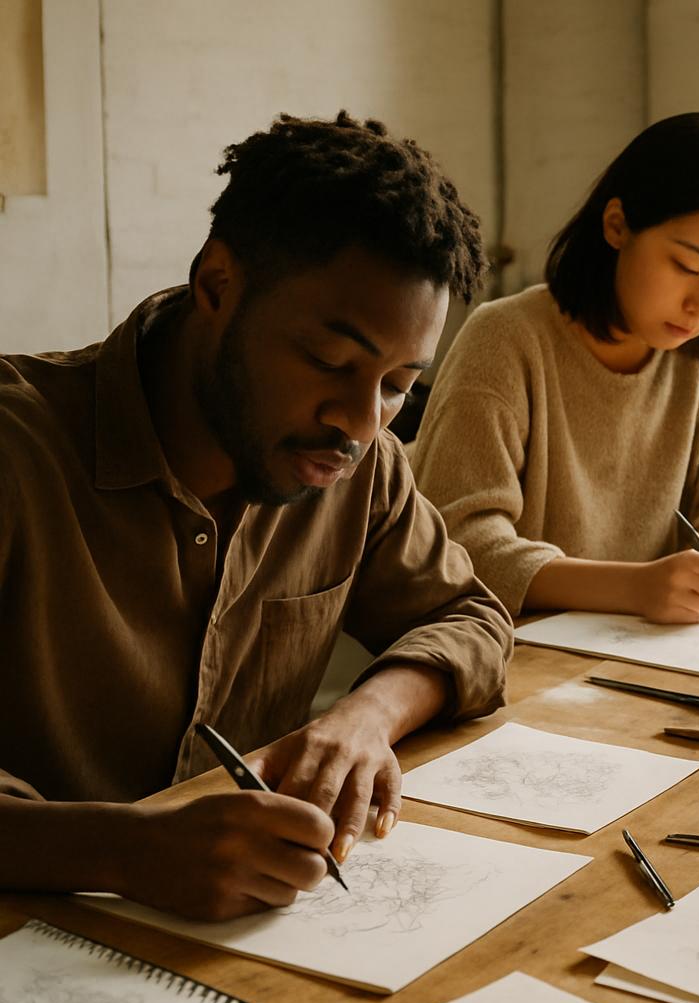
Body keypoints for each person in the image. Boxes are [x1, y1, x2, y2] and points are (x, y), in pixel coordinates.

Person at [0, 112, 516, 921]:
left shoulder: (356, 462)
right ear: (217, 285)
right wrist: (129, 850)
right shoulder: (17, 456)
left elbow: (470, 619)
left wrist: (364, 718)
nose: (360, 419)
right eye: (329, 362)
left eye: (397, 384)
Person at [412, 112, 699, 624]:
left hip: (636, 649)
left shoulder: (690, 359)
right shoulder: (507, 340)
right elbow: (462, 541)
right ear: (617, 225)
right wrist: (635, 588)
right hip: (514, 656)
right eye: (687, 268)